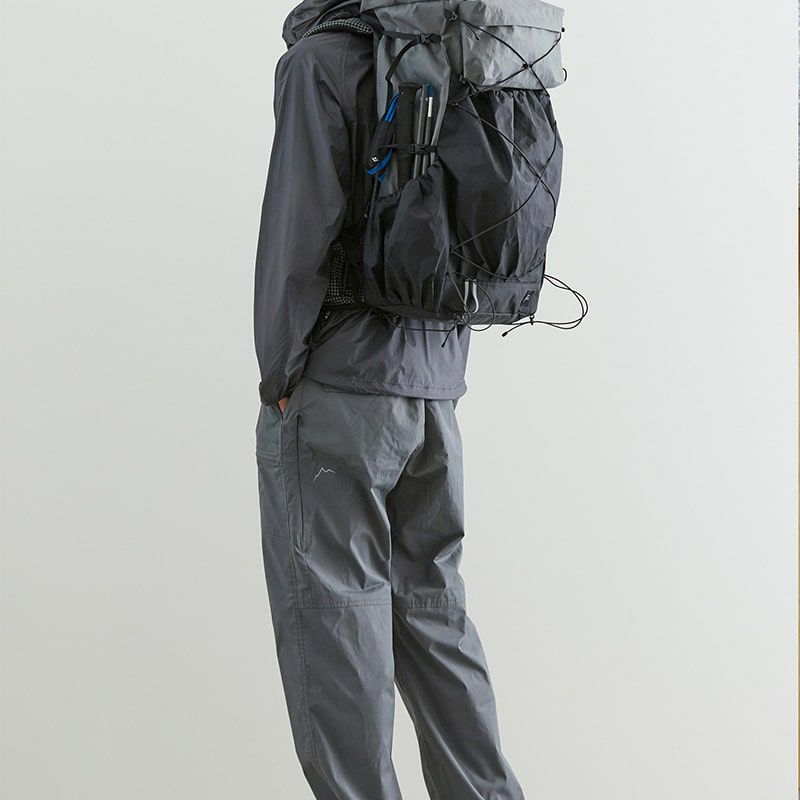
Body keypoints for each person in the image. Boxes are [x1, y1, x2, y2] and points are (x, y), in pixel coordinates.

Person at [253, 1, 525, 797]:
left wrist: (280, 377)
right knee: (434, 616)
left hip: (340, 392)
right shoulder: (465, 47)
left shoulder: (321, 60)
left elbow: (298, 230)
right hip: (436, 393)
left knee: (336, 628)